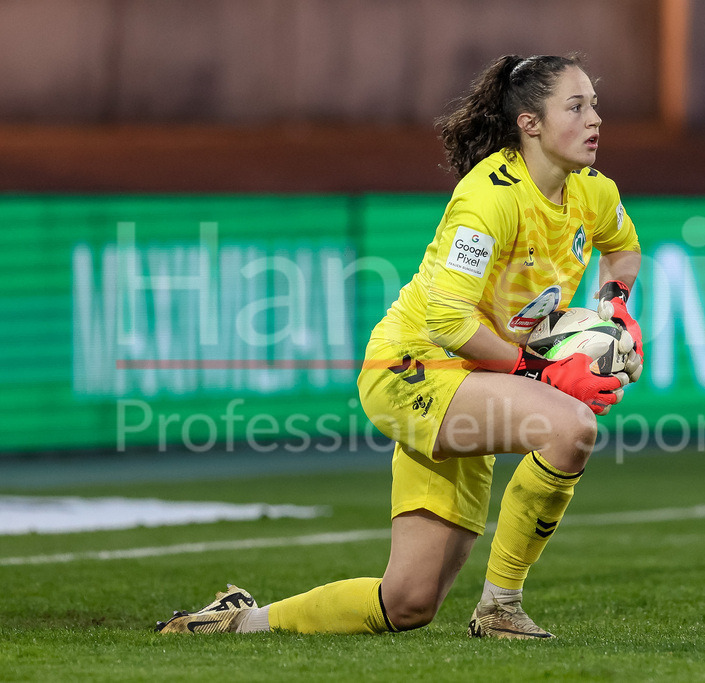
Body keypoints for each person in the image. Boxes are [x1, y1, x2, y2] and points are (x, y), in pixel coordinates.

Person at [156, 53, 643, 640]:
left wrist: (616, 306)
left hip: (474, 375)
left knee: (407, 603)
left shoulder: (593, 191)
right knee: (570, 427)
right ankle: (500, 609)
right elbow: (446, 320)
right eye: (576, 106)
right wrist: (539, 372)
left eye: (594, 105)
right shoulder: (488, 198)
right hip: (412, 366)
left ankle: (237, 621)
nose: (595, 119)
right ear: (530, 123)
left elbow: (622, 246)